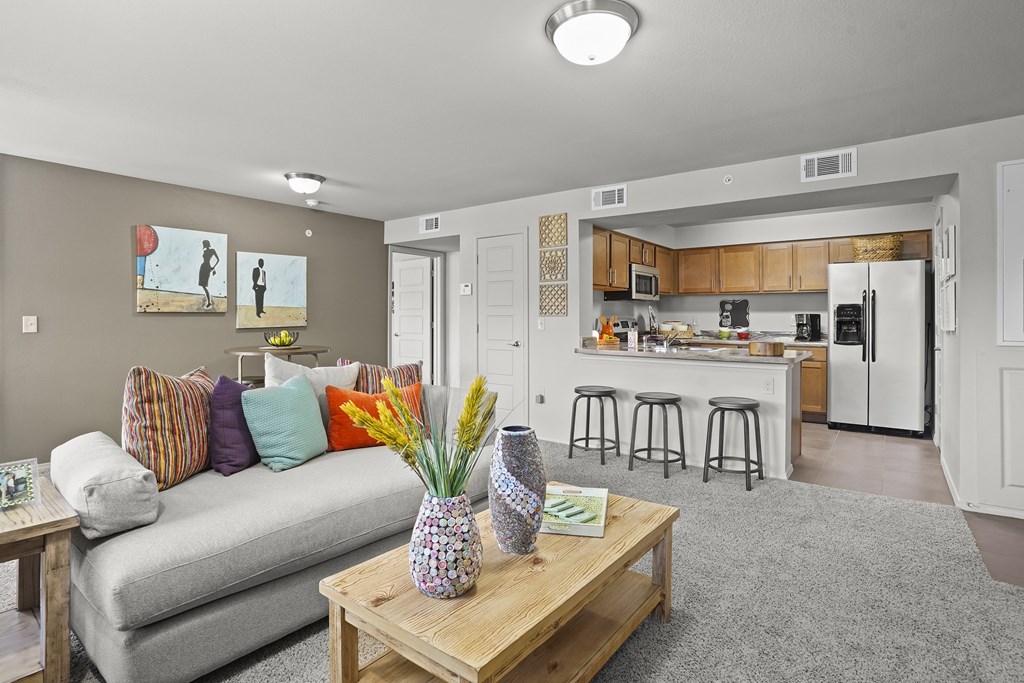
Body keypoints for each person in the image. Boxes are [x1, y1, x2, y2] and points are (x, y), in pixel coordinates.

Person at [198, 239, 220, 309]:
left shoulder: (212, 250)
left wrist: (213, 268)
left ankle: (209, 302)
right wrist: (212, 268)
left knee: (204, 285)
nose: (203, 245)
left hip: (207, 267)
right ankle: (209, 302)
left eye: (204, 244)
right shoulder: (205, 251)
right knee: (203, 285)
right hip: (203, 267)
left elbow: (218, 259)